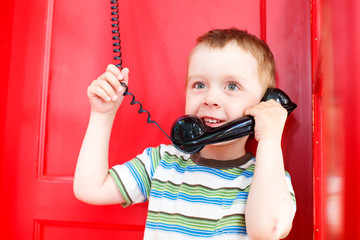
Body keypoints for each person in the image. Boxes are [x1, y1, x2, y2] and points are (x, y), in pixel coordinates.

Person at [74, 28, 296, 240]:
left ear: (264, 103)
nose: (211, 98)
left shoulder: (268, 178)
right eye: (199, 84)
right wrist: (102, 115)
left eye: (232, 86)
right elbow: (90, 189)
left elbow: (266, 230)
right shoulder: (162, 162)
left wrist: (269, 137)